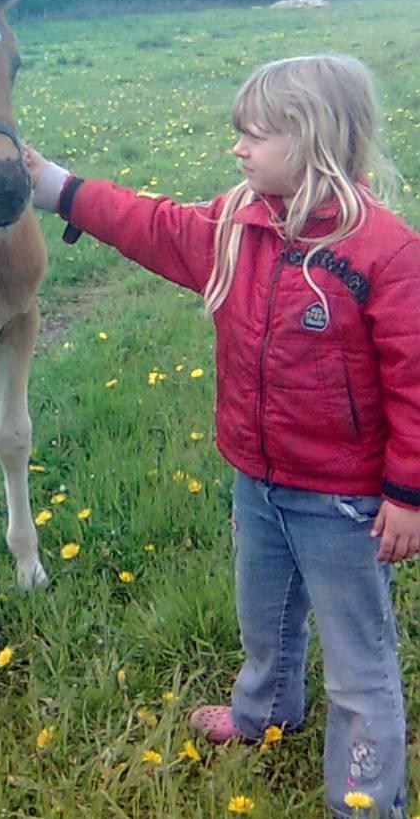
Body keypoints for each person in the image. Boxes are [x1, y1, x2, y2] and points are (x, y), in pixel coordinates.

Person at [23, 54, 420, 819]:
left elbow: (415, 380)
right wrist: (57, 187)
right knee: (263, 618)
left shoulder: (389, 253)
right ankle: (264, 711)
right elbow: (150, 224)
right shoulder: (238, 225)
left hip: (343, 506)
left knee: (358, 666)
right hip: (258, 484)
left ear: (313, 138)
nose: (237, 147)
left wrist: (407, 493)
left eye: (255, 134)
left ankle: (366, 802)